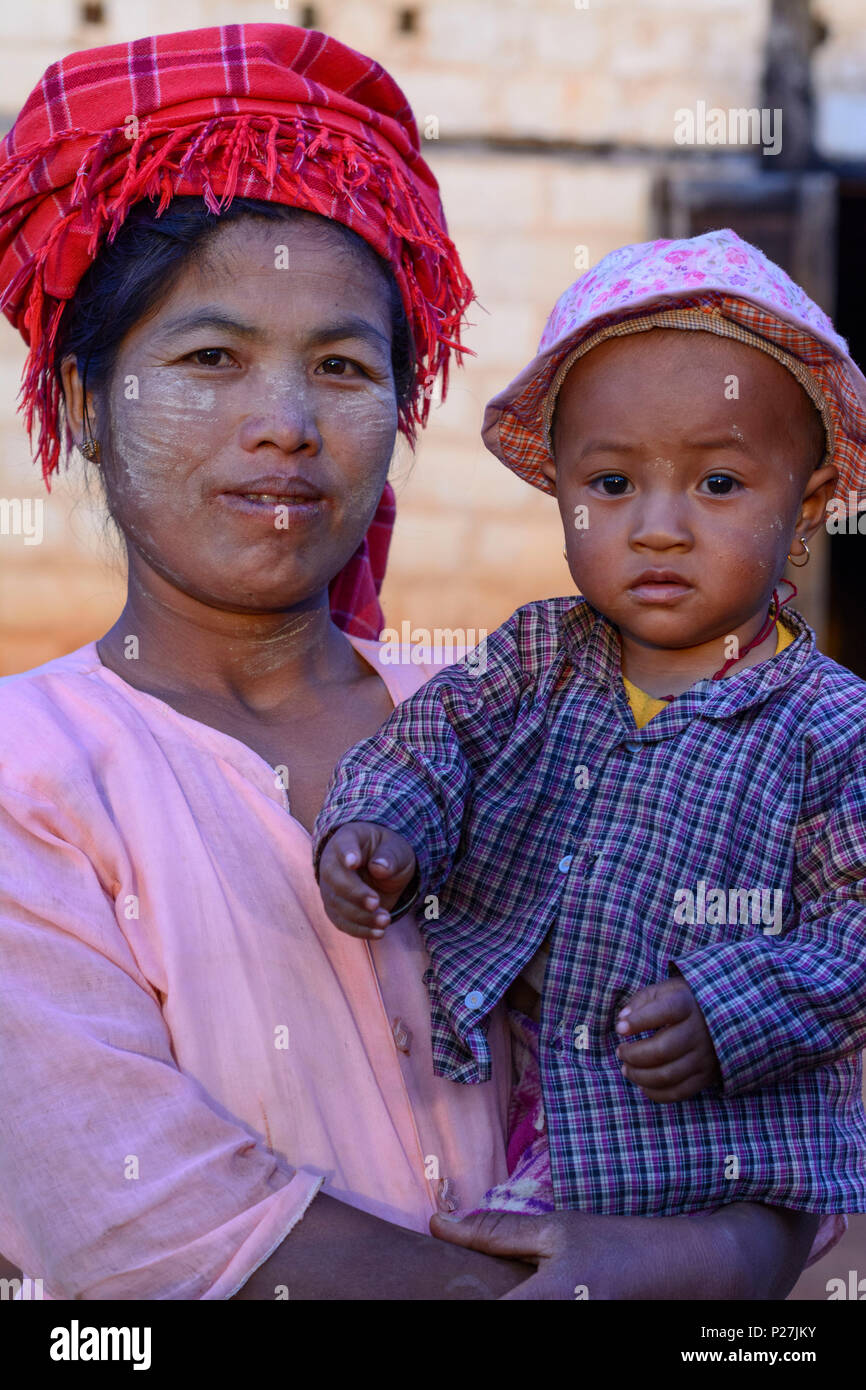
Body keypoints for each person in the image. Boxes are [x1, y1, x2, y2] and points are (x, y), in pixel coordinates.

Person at [0, 25, 820, 1299]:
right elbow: (144, 1229)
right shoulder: (28, 777)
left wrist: (703, 1244)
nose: (284, 426)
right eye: (210, 359)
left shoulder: (521, 717)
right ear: (89, 402)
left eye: (341, 366)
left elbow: (773, 1092)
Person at [314, 228, 866, 1270]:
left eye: (717, 485)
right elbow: (433, 743)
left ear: (804, 510)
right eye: (610, 485)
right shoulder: (535, 655)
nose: (657, 527)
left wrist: (729, 1005)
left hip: (718, 1153)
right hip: (527, 1112)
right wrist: (378, 825)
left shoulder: (827, 725)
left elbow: (856, 931)